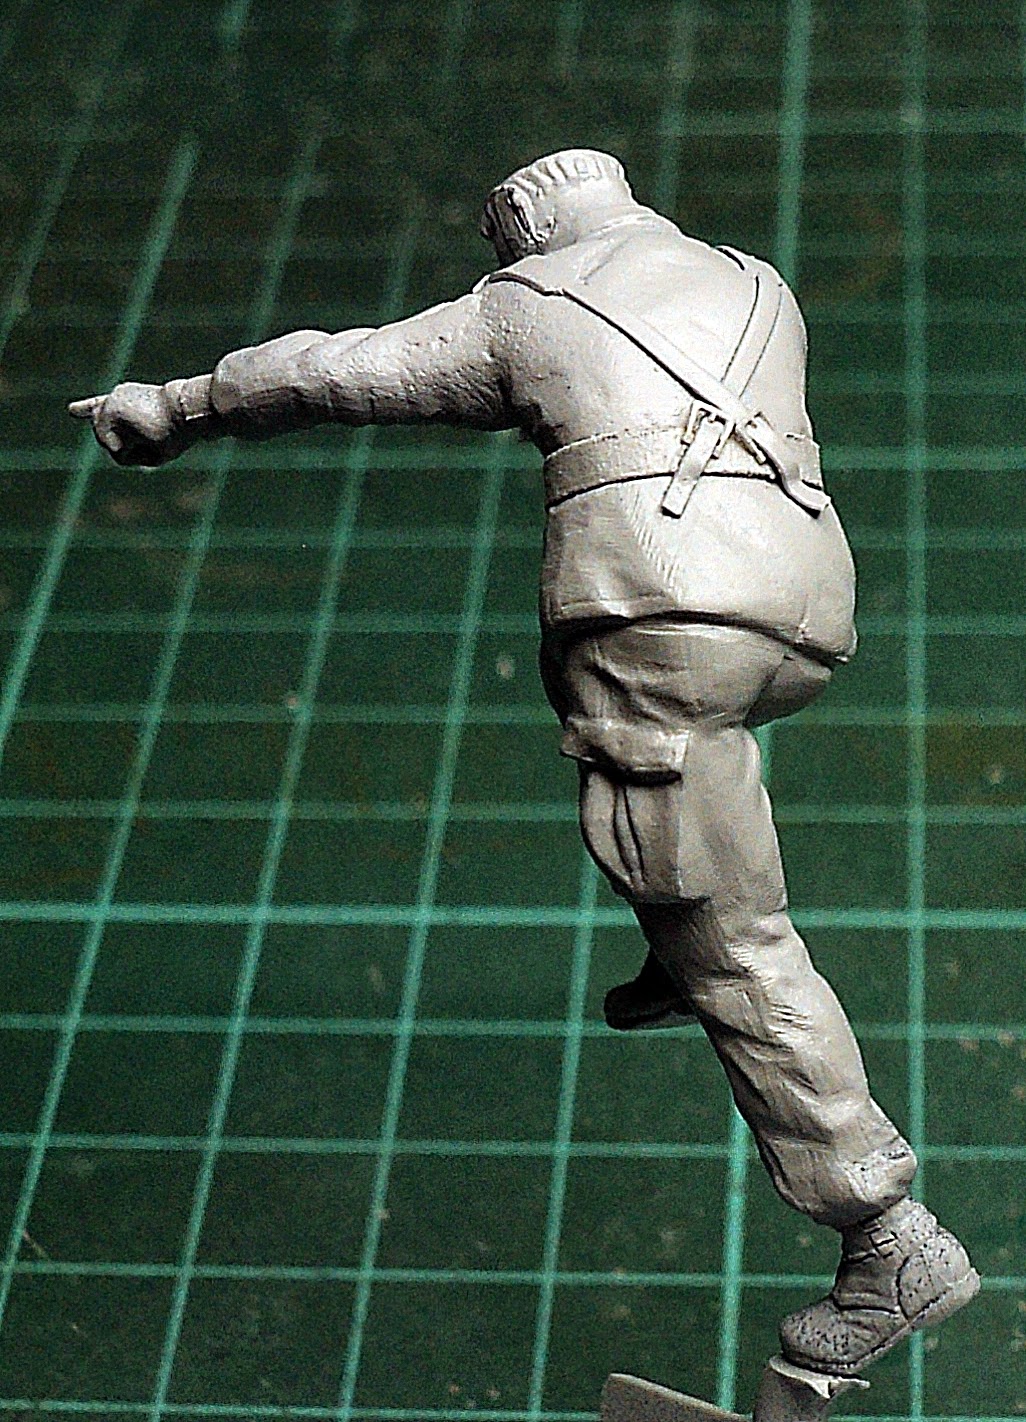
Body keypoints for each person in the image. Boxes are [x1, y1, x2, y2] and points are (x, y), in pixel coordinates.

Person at [70, 149, 978, 1377]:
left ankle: (886, 1237)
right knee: (676, 812)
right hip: (800, 608)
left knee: (736, 942)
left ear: (525, 229)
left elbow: (341, 367)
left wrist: (179, 403)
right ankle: (680, 932)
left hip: (667, 615)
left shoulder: (530, 302)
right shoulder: (751, 277)